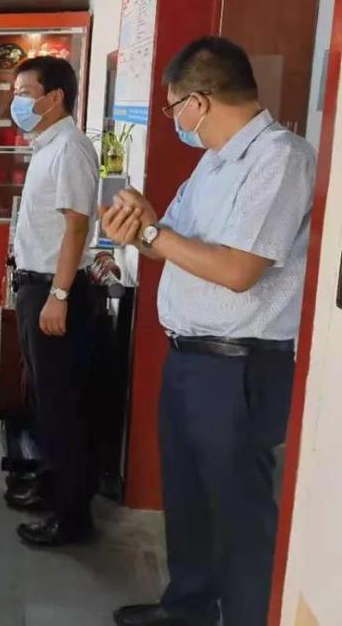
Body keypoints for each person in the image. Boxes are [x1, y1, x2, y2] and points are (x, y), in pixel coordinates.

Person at [104, 37, 316, 626]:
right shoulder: (215, 161)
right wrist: (139, 224)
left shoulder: (281, 159)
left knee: (239, 514)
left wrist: (153, 236)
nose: (175, 121)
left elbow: (238, 270)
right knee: (189, 498)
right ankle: (189, 608)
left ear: (197, 101)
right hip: (191, 358)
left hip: (240, 364)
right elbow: (170, 242)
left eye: (173, 108)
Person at [3, 56, 100, 547]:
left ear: (54, 97)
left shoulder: (70, 149)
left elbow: (76, 226)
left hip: (53, 290)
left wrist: (58, 296)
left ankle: (72, 515)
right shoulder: (47, 145)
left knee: (62, 405)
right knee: (42, 398)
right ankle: (49, 484)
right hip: (35, 287)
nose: (16, 102)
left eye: (24, 92)